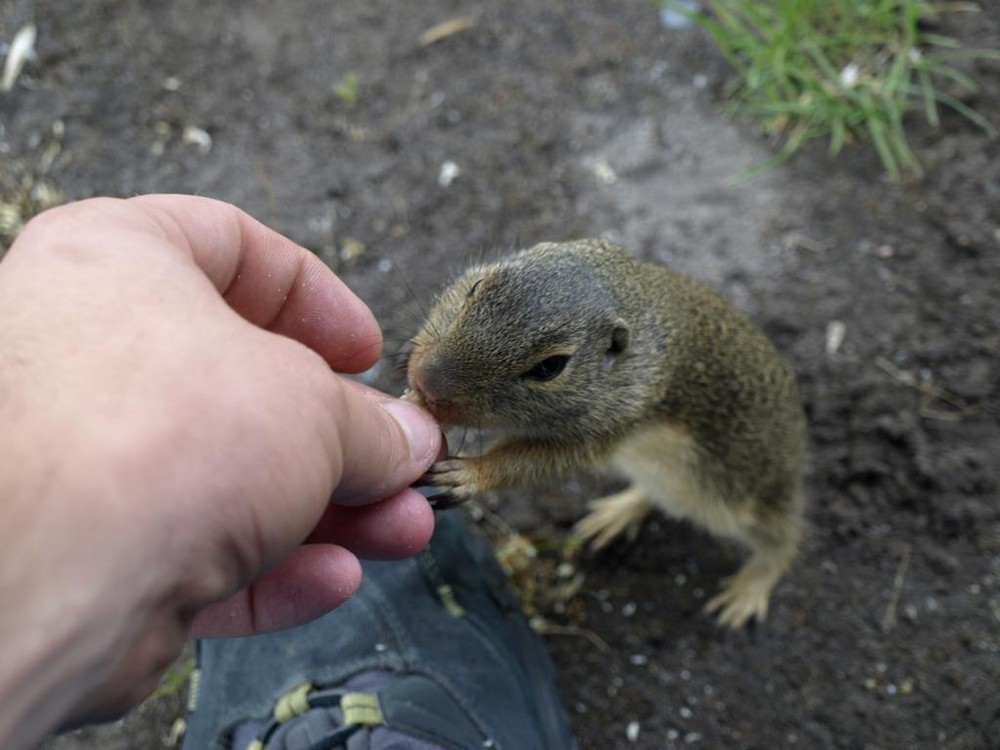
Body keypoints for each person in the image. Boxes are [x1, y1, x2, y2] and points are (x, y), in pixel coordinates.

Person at [0, 195, 576, 750]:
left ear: (612, 355)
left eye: (548, 369)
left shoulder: (613, 389)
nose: (428, 376)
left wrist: (482, 472)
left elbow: (571, 446)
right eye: (474, 291)